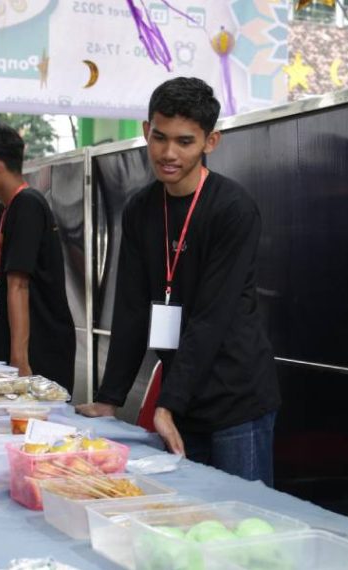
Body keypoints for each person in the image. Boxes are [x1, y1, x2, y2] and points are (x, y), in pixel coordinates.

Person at [75, 78, 280, 485]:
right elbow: (131, 308)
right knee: (188, 518)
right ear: (145, 131)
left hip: (235, 399)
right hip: (183, 398)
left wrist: (166, 404)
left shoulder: (233, 209)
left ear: (211, 141)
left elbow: (212, 317)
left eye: (185, 142)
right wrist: (109, 398)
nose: (168, 153)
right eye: (159, 137)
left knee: (245, 524)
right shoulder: (140, 209)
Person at [0, 126, 76, 392]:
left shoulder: (29, 206)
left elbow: (18, 285)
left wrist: (20, 360)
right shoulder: (4, 210)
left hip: (39, 346)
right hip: (5, 345)